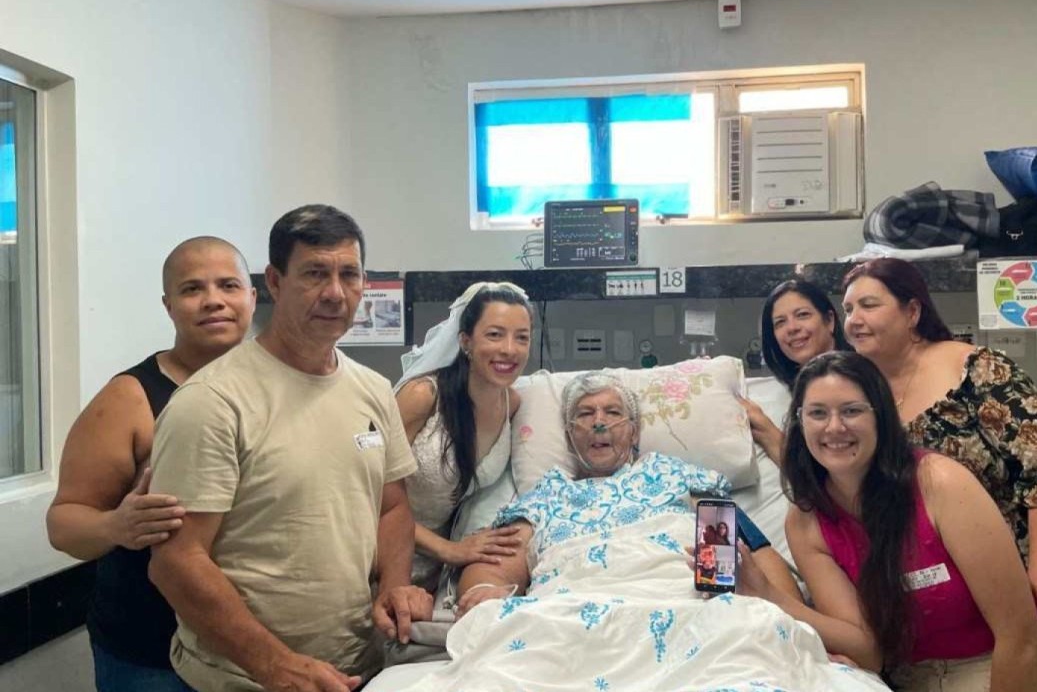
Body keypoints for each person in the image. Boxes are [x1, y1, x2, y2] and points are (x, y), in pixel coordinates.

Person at [386, 372, 886, 692]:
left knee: (747, 637)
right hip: (571, 608)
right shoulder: (548, 494)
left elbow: (747, 555)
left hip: (687, 603)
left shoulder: (685, 480)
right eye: (584, 415)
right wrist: (484, 591)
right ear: (570, 434)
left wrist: (790, 620)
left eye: (612, 413)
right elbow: (495, 566)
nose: (598, 424)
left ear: (634, 428)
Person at [147, 205, 433, 692]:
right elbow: (176, 563)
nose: (335, 293)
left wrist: (394, 586)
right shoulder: (213, 402)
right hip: (247, 678)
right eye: (315, 273)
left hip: (357, 666)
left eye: (349, 275)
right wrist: (275, 665)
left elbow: (392, 507)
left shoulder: (373, 389)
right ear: (276, 283)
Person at [740, 351, 1037, 691]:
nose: (834, 427)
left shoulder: (938, 483)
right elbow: (868, 651)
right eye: (817, 413)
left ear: (881, 417)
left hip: (1016, 668)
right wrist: (771, 597)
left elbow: (1019, 638)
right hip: (916, 680)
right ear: (800, 422)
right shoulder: (806, 522)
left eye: (851, 411)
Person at [840, 257, 1037, 681]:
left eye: (869, 305)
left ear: (912, 311)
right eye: (848, 309)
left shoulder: (977, 370)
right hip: (934, 592)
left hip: (1022, 572)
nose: (854, 319)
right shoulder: (861, 394)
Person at [46, 236, 256, 692]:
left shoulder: (280, 386)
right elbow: (63, 523)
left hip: (258, 651)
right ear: (168, 305)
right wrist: (116, 526)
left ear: (253, 296)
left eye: (228, 285)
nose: (213, 300)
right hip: (151, 657)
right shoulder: (130, 398)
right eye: (192, 289)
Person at [394, 282, 533, 594]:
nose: (509, 349)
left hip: (438, 568)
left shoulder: (511, 404)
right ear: (465, 340)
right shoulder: (422, 396)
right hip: (382, 554)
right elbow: (369, 496)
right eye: (495, 334)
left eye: (521, 337)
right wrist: (450, 550)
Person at [741, 278, 849, 465]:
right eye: (780, 322)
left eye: (802, 315)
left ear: (830, 320)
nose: (792, 328)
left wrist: (768, 433)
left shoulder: (861, 379)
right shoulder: (784, 391)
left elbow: (838, 474)